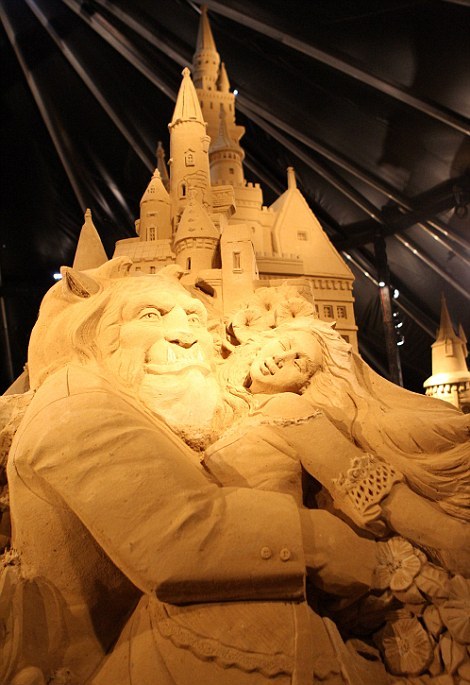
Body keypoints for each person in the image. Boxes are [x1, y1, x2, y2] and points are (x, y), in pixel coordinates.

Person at [3, 260, 387, 685]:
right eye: (151, 316)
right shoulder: (74, 403)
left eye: (192, 318)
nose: (184, 334)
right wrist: (326, 544)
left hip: (146, 639)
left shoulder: (144, 405)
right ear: (91, 331)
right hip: (102, 666)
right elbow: (180, 538)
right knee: (248, 620)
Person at [204, 318, 470, 573]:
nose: (281, 358)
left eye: (299, 362)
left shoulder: (289, 407)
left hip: (272, 552)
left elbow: (361, 480)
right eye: (284, 345)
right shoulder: (232, 401)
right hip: (223, 542)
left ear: (305, 385)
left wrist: (451, 536)